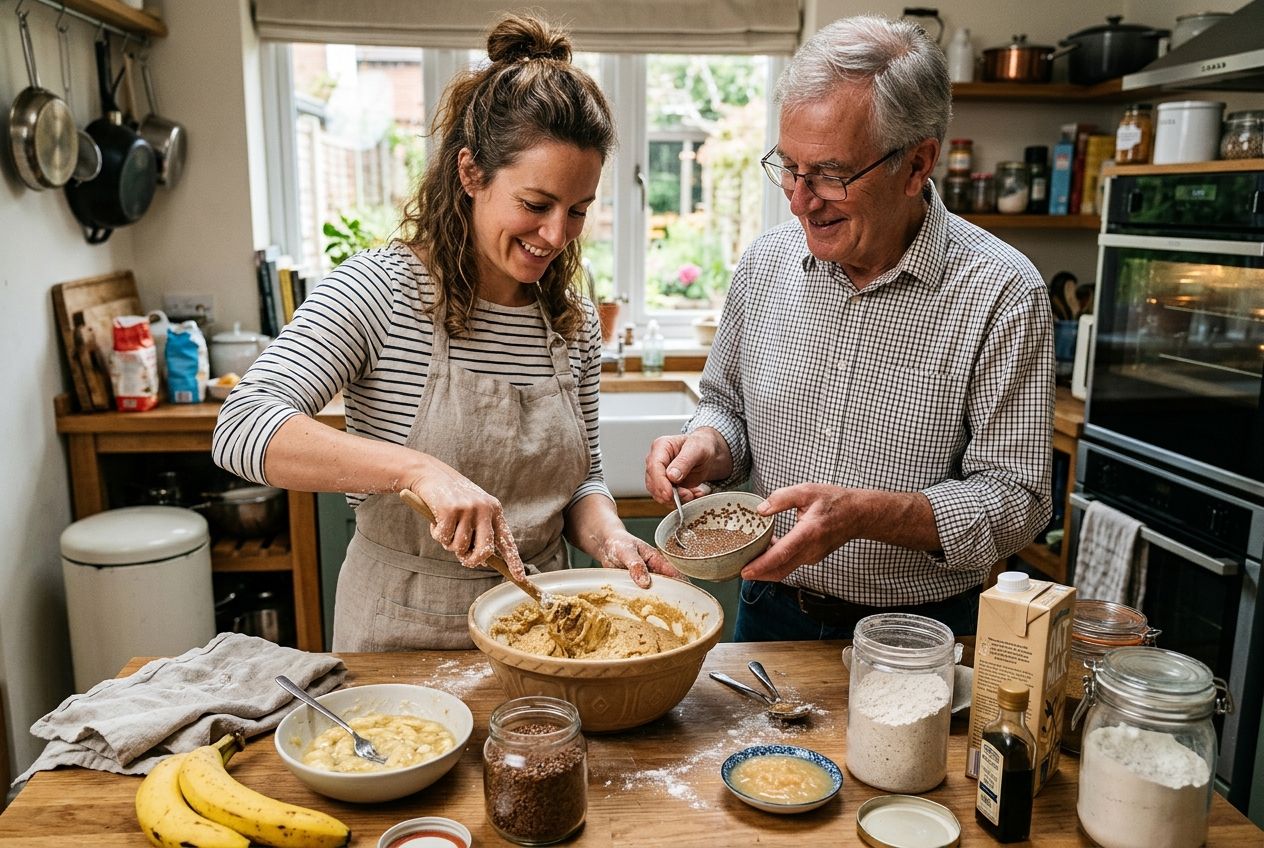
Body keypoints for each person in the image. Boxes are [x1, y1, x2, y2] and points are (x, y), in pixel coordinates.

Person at [213, 14, 677, 652]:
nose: (556, 235)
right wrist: (417, 471)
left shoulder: (566, 318)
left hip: (545, 630)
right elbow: (242, 427)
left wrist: (608, 537)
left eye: (578, 211)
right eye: (535, 205)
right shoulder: (382, 290)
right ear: (470, 174)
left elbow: (582, 481)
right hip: (402, 636)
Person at [645, 15, 1053, 642]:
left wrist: (868, 515)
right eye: (788, 167)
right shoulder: (764, 264)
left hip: (919, 633)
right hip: (770, 611)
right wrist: (707, 445)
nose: (800, 199)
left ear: (917, 165)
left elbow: (1017, 499)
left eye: (831, 175)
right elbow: (728, 407)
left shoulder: (1001, 291)